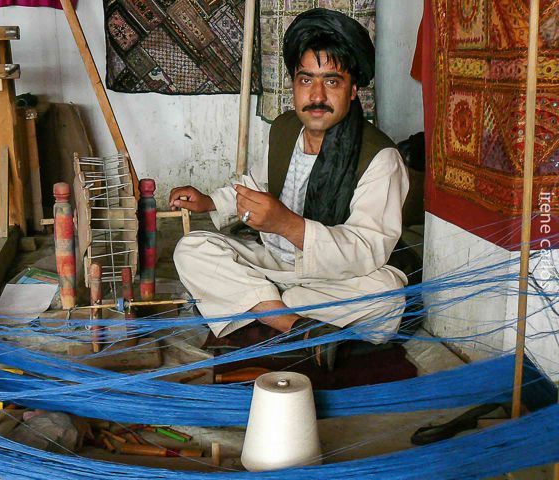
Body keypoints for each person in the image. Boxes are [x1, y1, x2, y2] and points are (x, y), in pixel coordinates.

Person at [169, 8, 409, 371]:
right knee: (192, 249)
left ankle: (265, 310)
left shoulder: (381, 158)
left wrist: (286, 224)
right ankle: (296, 326)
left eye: (332, 81)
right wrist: (209, 202)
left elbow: (366, 250)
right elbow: (255, 184)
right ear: (294, 85)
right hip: (275, 265)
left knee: (388, 294)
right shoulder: (283, 130)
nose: (317, 95)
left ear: (353, 90)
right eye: (306, 79)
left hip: (338, 281)